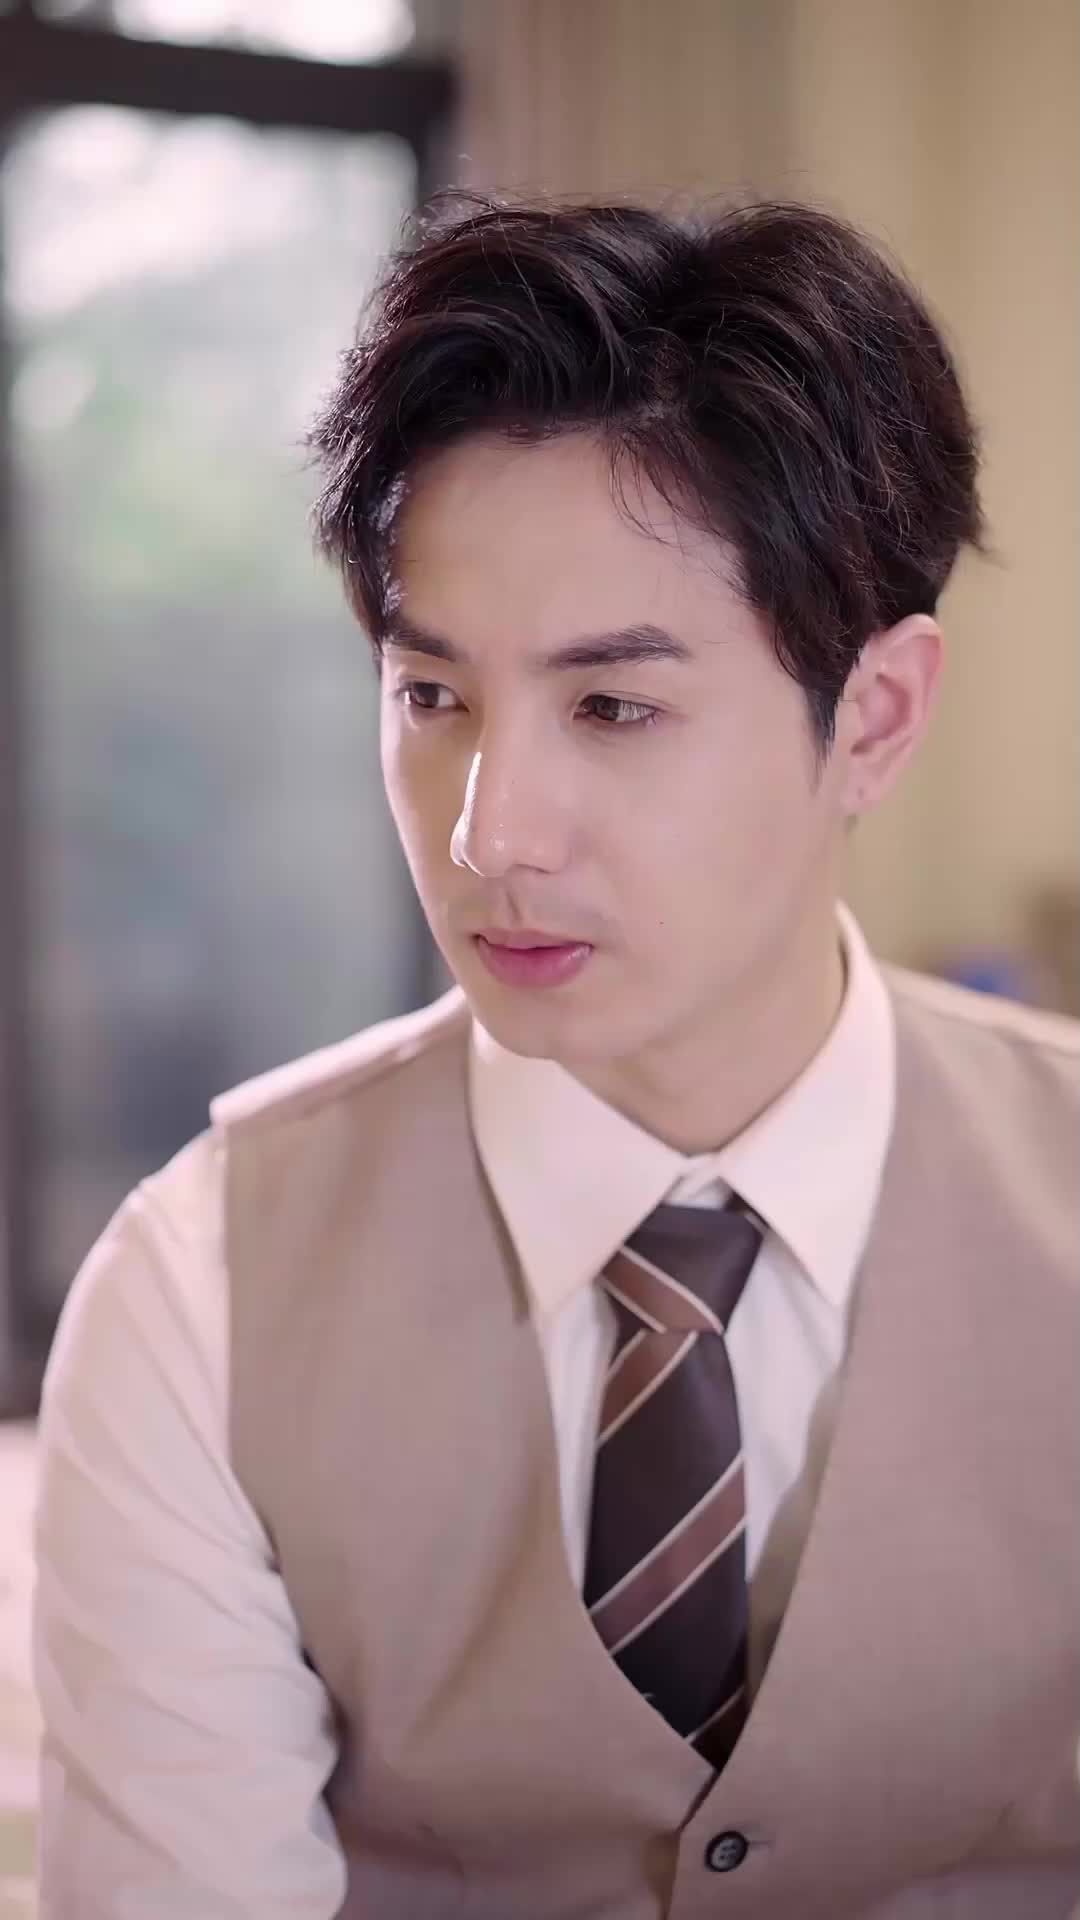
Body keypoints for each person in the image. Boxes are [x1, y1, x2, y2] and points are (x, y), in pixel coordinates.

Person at [33, 196, 1080, 1919]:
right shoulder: (199, 1292)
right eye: (431, 696)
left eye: (613, 707)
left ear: (876, 717)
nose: (489, 833)